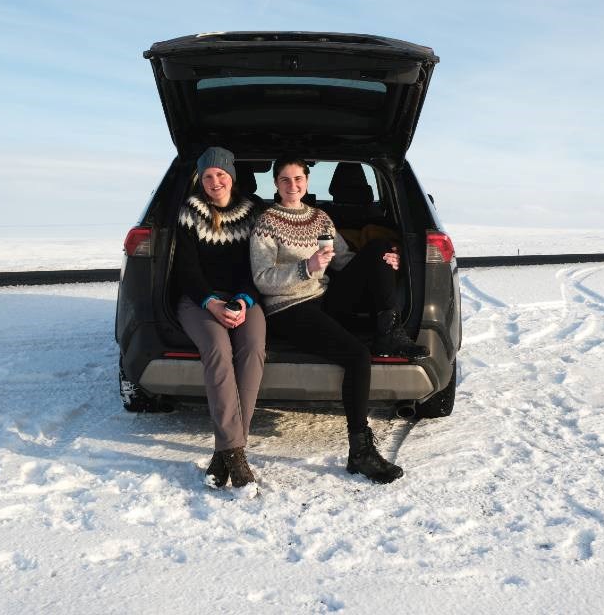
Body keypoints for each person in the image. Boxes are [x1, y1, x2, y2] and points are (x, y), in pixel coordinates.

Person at [250, 157, 428, 484]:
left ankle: (389, 330)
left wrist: (386, 262)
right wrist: (306, 267)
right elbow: (262, 279)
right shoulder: (267, 222)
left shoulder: (320, 219)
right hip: (288, 308)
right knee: (358, 356)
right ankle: (360, 452)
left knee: (380, 248)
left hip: (324, 298)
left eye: (298, 179)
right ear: (275, 183)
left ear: (307, 181)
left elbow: (344, 261)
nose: (292, 185)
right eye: (285, 179)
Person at [173, 146, 265, 495]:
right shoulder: (190, 211)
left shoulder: (253, 213)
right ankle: (236, 456)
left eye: (221, 174)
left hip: (244, 298)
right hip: (198, 300)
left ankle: (225, 452)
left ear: (232, 177)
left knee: (253, 349)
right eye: (208, 176)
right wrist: (211, 303)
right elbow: (186, 270)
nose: (215, 181)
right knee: (218, 349)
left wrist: (242, 301)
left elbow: (258, 265)